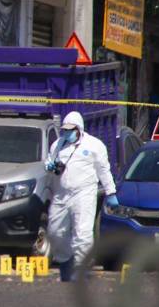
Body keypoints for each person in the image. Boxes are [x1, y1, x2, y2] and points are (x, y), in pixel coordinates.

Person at [45, 111, 118, 281]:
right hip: (61, 194)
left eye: (71, 130)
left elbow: (104, 170)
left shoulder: (94, 145)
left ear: (79, 129)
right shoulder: (57, 145)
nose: (67, 133)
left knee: (82, 232)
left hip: (84, 193)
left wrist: (111, 192)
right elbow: (49, 162)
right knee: (55, 232)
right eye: (65, 130)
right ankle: (65, 262)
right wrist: (49, 166)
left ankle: (81, 268)